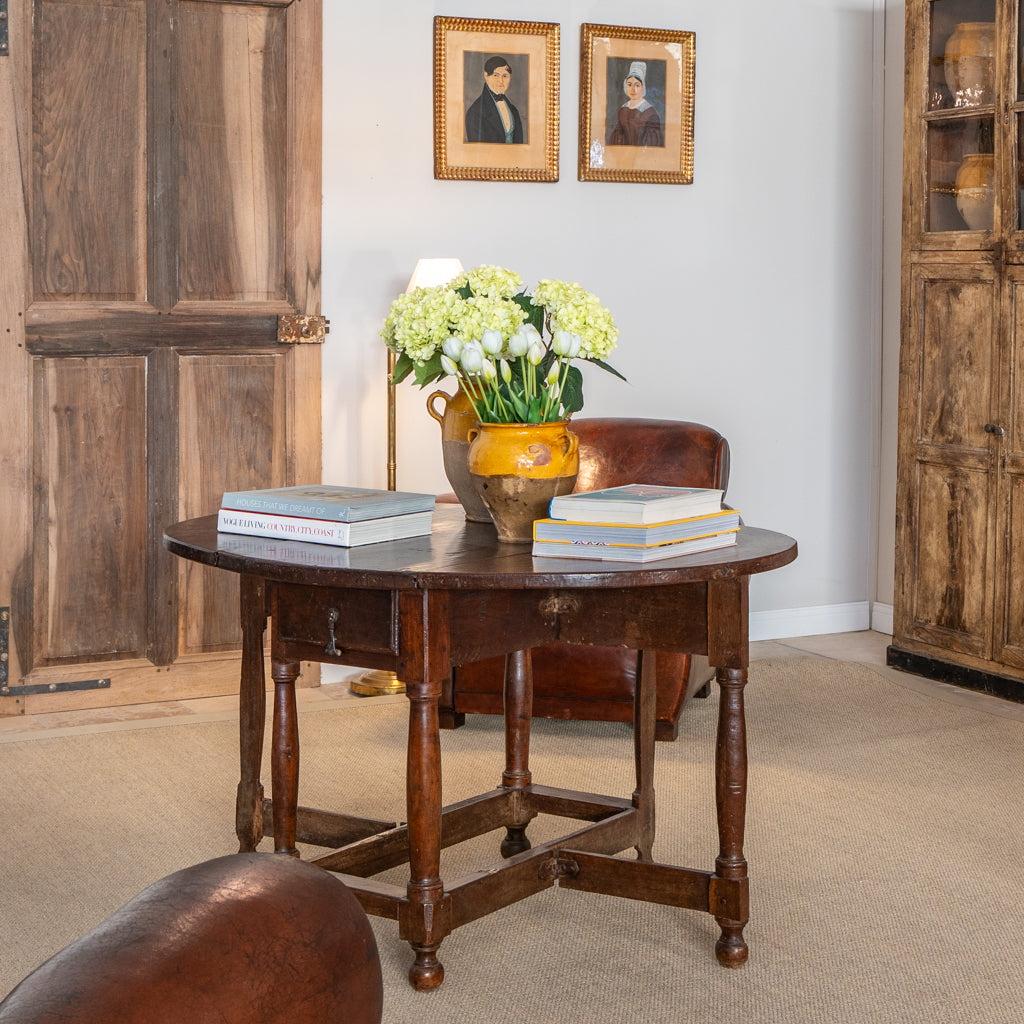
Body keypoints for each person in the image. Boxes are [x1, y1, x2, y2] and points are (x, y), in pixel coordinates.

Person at [465, 55, 525, 143]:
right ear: (486, 76)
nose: (501, 81)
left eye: (505, 76)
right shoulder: (475, 112)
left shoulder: (513, 110)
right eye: (496, 75)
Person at [608, 60, 663, 147]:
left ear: (643, 87)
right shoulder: (623, 109)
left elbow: (652, 145)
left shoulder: (650, 113)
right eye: (629, 85)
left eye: (637, 85)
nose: (633, 89)